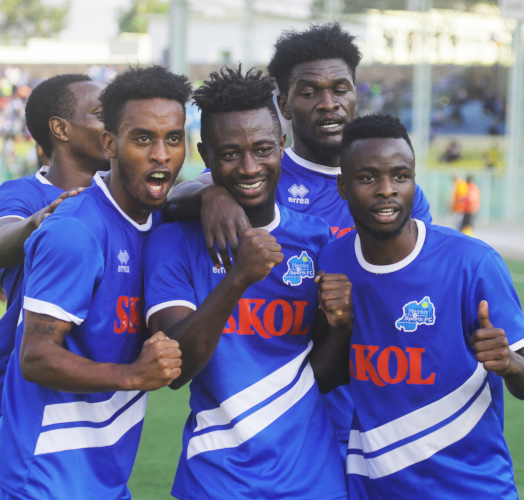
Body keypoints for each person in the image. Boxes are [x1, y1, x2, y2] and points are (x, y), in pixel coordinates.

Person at [163, 22, 433, 460]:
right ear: (284, 105)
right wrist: (209, 192)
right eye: (309, 92)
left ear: (356, 93)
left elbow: (412, 288)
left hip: (372, 415)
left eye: (340, 88)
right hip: (275, 425)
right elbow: (173, 198)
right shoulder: (257, 170)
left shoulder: (392, 192)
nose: (329, 104)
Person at [0, 66, 190, 499]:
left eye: (174, 139)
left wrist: (218, 195)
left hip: (99, 471)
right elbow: (35, 357)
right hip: (40, 474)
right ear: (112, 142)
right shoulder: (68, 225)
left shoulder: (153, 220)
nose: (162, 154)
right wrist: (133, 374)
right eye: (143, 137)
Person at [316, 114, 524, 499]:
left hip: (472, 490)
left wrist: (511, 364)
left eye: (400, 175)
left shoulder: (472, 263)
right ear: (343, 186)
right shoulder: (333, 263)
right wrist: (340, 327)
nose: (386, 189)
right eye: (368, 177)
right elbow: (327, 379)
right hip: (371, 489)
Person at [143, 65, 348, 500]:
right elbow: (176, 368)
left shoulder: (318, 241)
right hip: (216, 481)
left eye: (262, 149)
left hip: (313, 482)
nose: (249, 166)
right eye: (231, 153)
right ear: (206, 155)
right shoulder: (173, 242)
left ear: (282, 145)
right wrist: (239, 277)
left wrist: (343, 326)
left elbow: (323, 375)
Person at [0, 73, 109, 469]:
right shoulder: (24, 194)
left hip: (99, 410)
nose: (113, 124)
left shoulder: (121, 199)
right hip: (23, 403)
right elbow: (0, 243)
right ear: (60, 129)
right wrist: (42, 220)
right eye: (102, 114)